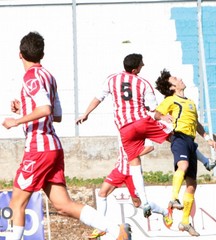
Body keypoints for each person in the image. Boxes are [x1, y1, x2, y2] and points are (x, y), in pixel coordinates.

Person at [2, 31, 131, 240]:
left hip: (38, 147)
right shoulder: (48, 76)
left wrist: (16, 121)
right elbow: (57, 115)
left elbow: (44, 109)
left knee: (16, 203)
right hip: (53, 147)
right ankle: (117, 231)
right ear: (41, 54)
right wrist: (24, 108)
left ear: (20, 55)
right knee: (63, 205)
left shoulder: (31, 77)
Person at [76, 53, 172, 221]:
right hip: (142, 122)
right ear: (135, 69)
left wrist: (86, 114)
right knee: (172, 136)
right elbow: (153, 109)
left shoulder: (111, 79)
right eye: (142, 64)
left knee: (133, 162)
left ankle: (150, 206)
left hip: (125, 128)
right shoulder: (143, 83)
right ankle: (194, 151)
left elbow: (98, 97)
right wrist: (162, 117)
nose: (144, 65)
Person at [154, 69, 216, 237]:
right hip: (179, 138)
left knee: (192, 185)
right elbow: (156, 114)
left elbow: (197, 124)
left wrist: (208, 139)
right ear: (172, 87)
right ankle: (173, 198)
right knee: (182, 165)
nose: (180, 78)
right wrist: (163, 118)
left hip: (191, 142)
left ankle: (185, 222)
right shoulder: (171, 100)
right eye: (175, 78)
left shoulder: (190, 102)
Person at [88, 138, 173, 239]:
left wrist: (134, 155)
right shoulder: (121, 126)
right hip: (119, 170)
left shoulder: (140, 128)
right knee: (102, 193)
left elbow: (150, 147)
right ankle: (101, 226)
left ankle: (165, 212)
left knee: (137, 203)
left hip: (133, 173)